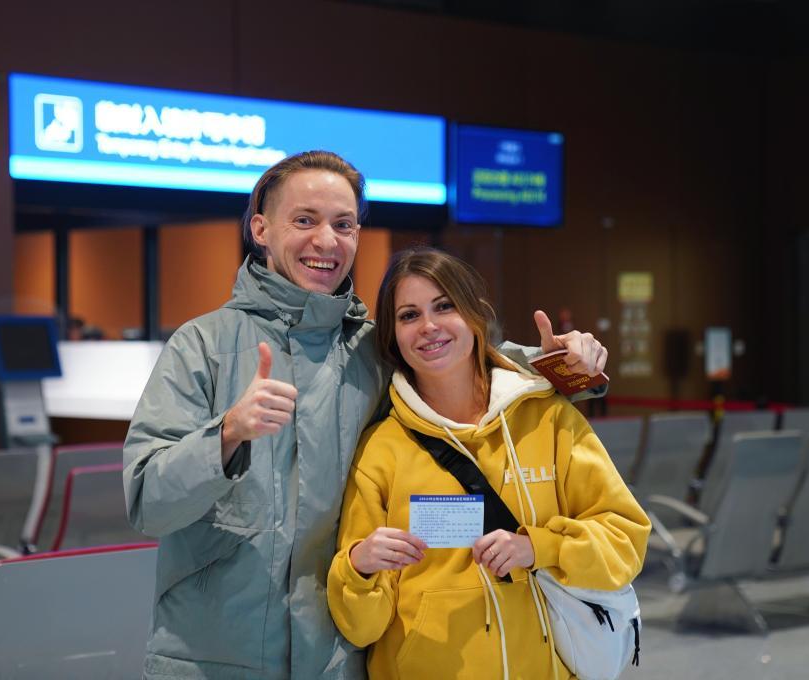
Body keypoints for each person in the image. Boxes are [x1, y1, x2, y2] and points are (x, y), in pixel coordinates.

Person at [123, 151, 609, 679]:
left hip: (334, 657)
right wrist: (227, 434)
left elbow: (467, 364)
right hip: (211, 658)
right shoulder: (202, 346)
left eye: (343, 224)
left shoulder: (370, 352)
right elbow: (147, 502)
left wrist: (566, 365)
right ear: (261, 230)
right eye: (304, 220)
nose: (326, 241)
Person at [327, 247, 650, 679]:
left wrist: (539, 548)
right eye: (409, 315)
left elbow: (625, 540)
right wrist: (359, 567)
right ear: (393, 336)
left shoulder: (547, 418)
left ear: (475, 315)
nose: (428, 326)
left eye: (444, 306)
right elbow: (361, 627)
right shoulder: (381, 450)